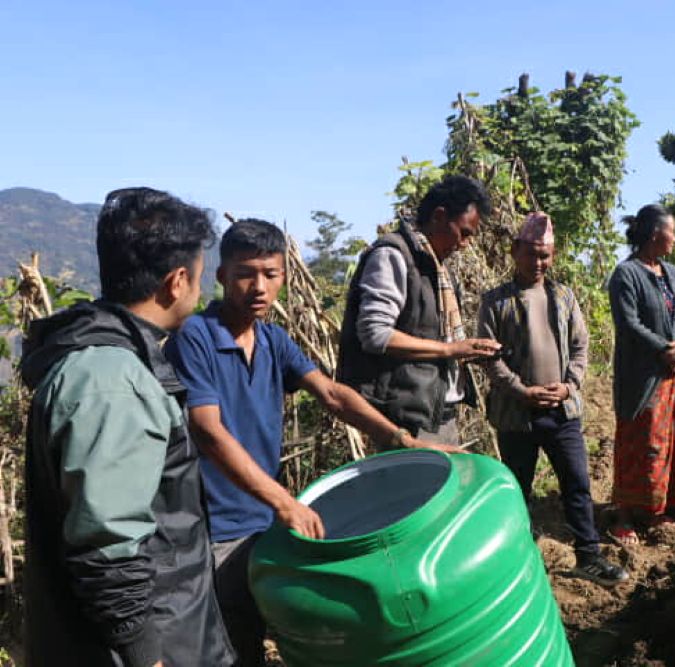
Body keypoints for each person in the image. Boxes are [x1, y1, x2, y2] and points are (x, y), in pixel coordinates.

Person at [165, 218, 456, 666]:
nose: (258, 286)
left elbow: (335, 395)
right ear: (222, 277)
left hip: (268, 525)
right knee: (232, 645)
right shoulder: (196, 338)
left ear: (283, 276)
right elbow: (208, 430)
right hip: (216, 530)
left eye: (270, 273)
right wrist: (285, 502)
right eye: (245, 273)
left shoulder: (273, 340)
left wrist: (404, 441)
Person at [20, 187, 234, 666]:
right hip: (146, 647)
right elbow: (107, 545)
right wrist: (146, 653)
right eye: (200, 278)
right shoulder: (114, 381)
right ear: (177, 281)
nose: (200, 292)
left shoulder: (111, 361)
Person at [478, 212, 628, 586]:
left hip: (563, 411)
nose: (539, 262)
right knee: (518, 491)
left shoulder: (563, 296)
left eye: (545, 255)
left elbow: (580, 346)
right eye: (531, 254)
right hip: (517, 415)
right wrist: (521, 390)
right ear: (515, 252)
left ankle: (588, 557)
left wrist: (569, 385)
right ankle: (520, 564)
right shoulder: (496, 302)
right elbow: (489, 358)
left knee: (577, 483)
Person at [337, 175, 501, 445]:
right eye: (464, 233)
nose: (465, 244)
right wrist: (450, 350)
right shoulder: (393, 256)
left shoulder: (435, 266)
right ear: (439, 216)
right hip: (407, 417)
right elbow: (375, 334)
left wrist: (466, 351)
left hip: (434, 411)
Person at [607, 204, 675, 546]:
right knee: (642, 443)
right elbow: (629, 324)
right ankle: (626, 515)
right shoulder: (626, 274)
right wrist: (665, 348)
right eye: (672, 232)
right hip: (643, 378)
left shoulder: (674, 274)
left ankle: (666, 508)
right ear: (655, 234)